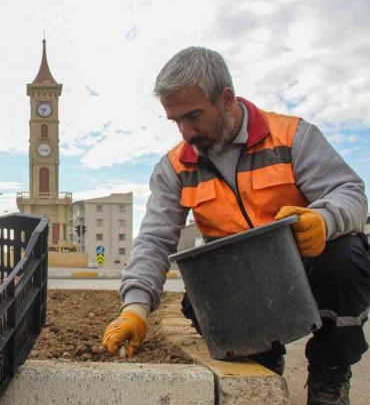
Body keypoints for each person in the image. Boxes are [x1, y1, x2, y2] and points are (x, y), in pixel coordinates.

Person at [102, 46, 370, 405]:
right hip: (241, 282)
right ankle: (261, 359)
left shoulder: (292, 137)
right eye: (176, 121)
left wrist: (324, 219)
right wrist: (134, 307)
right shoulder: (176, 168)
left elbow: (349, 192)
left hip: (306, 267)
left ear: (226, 99)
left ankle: (329, 376)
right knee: (197, 301)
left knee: (347, 257)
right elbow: (154, 239)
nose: (186, 132)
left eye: (194, 116)